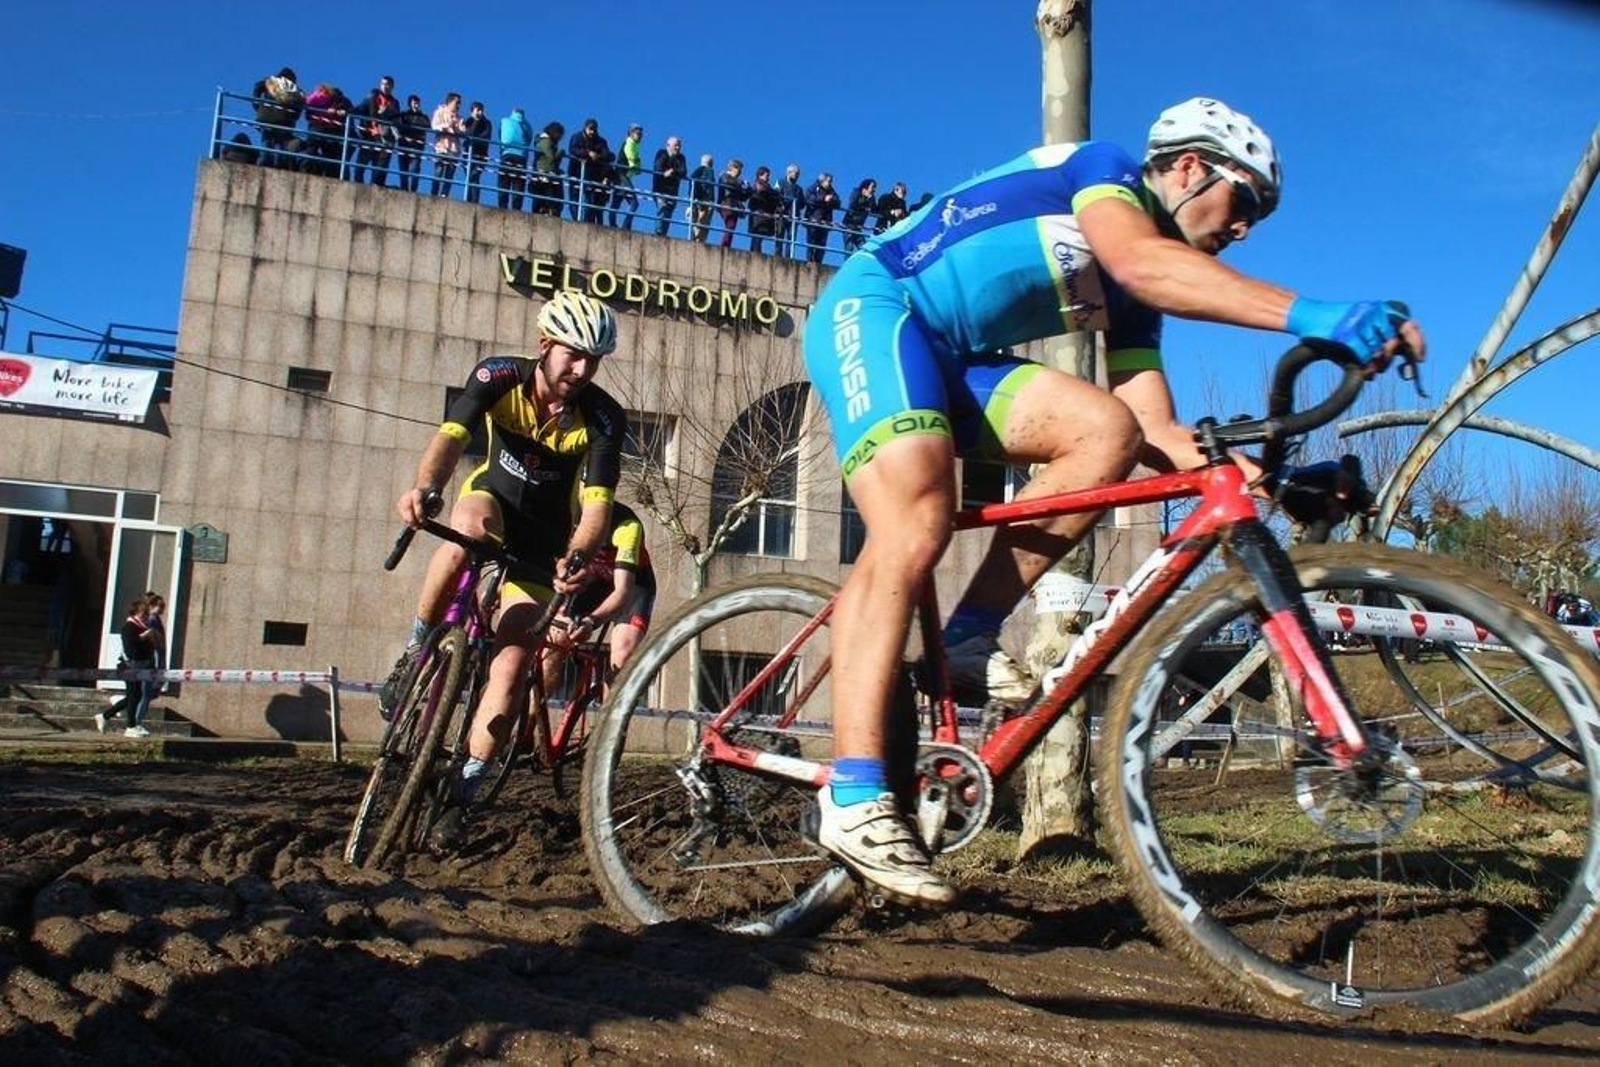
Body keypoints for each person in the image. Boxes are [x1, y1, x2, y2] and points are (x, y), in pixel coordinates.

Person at [801, 96, 1425, 906]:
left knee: (1108, 434)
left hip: (950, 355)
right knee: (916, 513)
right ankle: (853, 793)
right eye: (1244, 204)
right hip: (878, 308)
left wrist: (1275, 484)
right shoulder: (1105, 175)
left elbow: (1159, 429)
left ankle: (968, 632)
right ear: (1191, 168)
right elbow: (1139, 263)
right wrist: (1317, 315)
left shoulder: (1138, 292)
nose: (1244, 230)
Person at [381, 290, 627, 850]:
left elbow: (595, 508)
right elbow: (451, 439)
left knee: (513, 666)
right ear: (544, 345)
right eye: (573, 355)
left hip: (544, 544)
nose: (582, 369)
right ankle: (416, 648)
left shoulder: (604, 419)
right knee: (463, 538)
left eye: (594, 360)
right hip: (492, 501)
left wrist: (580, 554)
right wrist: (425, 488)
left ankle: (465, 791)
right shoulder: (498, 376)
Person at [543, 501, 656, 695]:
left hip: (633, 586)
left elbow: (623, 591)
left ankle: (608, 721)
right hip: (593, 581)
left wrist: (591, 620)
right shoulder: (564, 511)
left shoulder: (627, 526)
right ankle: (532, 716)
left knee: (622, 661)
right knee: (555, 644)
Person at [97, 597, 158, 738]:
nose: (146, 617)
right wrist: (144, 637)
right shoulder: (129, 627)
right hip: (129, 667)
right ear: (135, 613)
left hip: (140, 667)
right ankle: (130, 727)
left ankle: (105, 716)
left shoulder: (142, 627)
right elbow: (131, 648)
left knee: (135, 696)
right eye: (143, 614)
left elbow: (148, 648)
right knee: (134, 696)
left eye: (147, 615)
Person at [251, 67, 303, 169]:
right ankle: (280, 164)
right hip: (284, 120)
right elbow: (300, 107)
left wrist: (257, 106)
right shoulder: (294, 89)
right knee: (282, 143)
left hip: (265, 117)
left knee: (267, 140)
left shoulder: (271, 82)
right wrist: (293, 118)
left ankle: (264, 162)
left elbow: (257, 87)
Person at [352, 75, 400, 186]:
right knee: (361, 163)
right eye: (383, 84)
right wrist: (347, 112)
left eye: (388, 84)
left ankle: (376, 186)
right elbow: (361, 108)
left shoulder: (394, 102)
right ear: (380, 85)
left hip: (384, 138)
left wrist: (386, 111)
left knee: (379, 166)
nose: (385, 86)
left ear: (392, 87)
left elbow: (396, 118)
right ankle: (358, 184)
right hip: (369, 135)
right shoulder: (373, 96)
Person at [567, 118, 612, 224]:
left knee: (589, 198)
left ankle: (585, 221)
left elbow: (608, 155)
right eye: (590, 129)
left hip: (591, 174)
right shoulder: (576, 137)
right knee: (574, 197)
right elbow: (573, 150)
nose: (592, 132)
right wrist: (588, 153)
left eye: (594, 129)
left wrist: (597, 156)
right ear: (585, 128)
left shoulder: (600, 141)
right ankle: (576, 220)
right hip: (576, 172)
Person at [303, 83, 350, 179]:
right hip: (327, 129)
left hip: (318, 128)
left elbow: (308, 109)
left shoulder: (316, 95)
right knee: (328, 155)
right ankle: (328, 175)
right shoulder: (333, 97)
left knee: (312, 152)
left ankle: (307, 171)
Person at [609, 124, 644, 229]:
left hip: (621, 176)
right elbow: (631, 157)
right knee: (634, 203)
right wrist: (635, 165)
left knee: (616, 202)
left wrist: (637, 166)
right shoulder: (630, 142)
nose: (640, 135)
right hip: (621, 175)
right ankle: (625, 226)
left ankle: (613, 225)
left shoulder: (634, 144)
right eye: (637, 133)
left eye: (641, 134)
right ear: (631, 133)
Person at [498, 105, 533, 211]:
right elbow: (529, 139)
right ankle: (516, 208)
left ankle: (502, 205)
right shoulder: (527, 125)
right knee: (518, 183)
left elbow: (500, 134)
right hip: (521, 156)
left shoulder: (504, 121)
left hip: (507, 153)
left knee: (504, 181)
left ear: (513, 112)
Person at [651, 135, 688, 237]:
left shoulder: (681, 158)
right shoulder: (661, 153)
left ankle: (663, 234)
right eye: (676, 145)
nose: (678, 148)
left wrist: (672, 171)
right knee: (662, 208)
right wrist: (665, 172)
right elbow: (658, 168)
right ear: (668, 145)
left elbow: (683, 171)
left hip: (673, 191)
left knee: (668, 213)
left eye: (679, 146)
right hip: (660, 189)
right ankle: (658, 233)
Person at [430, 92, 464, 197]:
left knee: (449, 175)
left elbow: (463, 131)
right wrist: (446, 126)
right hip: (441, 147)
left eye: (459, 103)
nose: (458, 105)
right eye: (456, 102)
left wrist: (456, 128)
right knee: (438, 172)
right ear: (449, 102)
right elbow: (434, 126)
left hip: (454, 150)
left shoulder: (459, 118)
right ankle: (434, 194)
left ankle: (445, 194)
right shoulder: (440, 112)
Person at [395, 94, 430, 193]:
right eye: (414, 102)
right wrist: (403, 137)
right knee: (403, 169)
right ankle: (404, 189)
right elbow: (397, 125)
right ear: (410, 103)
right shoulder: (404, 115)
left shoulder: (423, 116)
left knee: (414, 169)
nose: (416, 104)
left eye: (417, 102)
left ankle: (413, 190)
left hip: (416, 146)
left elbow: (427, 126)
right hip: (404, 145)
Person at [804, 172, 840, 264]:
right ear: (822, 181)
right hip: (813, 220)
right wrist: (823, 198)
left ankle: (818, 263)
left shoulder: (831, 190)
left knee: (822, 245)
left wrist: (831, 199)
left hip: (825, 222)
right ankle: (809, 262)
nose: (831, 183)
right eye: (829, 181)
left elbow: (838, 202)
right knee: (811, 243)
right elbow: (809, 199)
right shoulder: (813, 188)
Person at [461, 101, 493, 205]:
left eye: (481, 110)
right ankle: (468, 199)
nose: (480, 112)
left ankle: (473, 202)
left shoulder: (487, 123)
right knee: (470, 177)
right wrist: (475, 121)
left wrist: (474, 138)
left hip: (480, 155)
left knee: (474, 177)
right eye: (477, 110)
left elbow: (486, 137)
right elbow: (467, 134)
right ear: (472, 111)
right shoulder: (468, 121)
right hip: (467, 155)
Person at [531, 121, 566, 215]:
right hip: (544, 173)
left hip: (546, 172)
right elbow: (551, 158)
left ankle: (547, 209)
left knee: (544, 195)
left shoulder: (546, 141)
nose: (560, 138)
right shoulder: (546, 142)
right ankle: (549, 210)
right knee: (548, 194)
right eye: (560, 135)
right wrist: (560, 152)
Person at [747, 166, 783, 254]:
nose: (768, 178)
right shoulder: (758, 184)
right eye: (767, 175)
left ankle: (755, 252)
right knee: (757, 236)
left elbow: (772, 195)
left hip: (762, 215)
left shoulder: (766, 186)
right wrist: (775, 192)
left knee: (758, 236)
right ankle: (755, 253)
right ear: (760, 175)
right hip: (759, 215)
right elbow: (764, 191)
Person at [716, 158, 747, 248]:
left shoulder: (737, 181)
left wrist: (747, 191)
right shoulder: (724, 176)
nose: (740, 172)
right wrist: (740, 184)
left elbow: (742, 197)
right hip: (726, 204)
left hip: (734, 206)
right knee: (730, 225)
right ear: (732, 168)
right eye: (738, 168)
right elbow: (727, 183)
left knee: (732, 227)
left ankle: (727, 244)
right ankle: (724, 245)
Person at [841, 178, 876, 251]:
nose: (874, 189)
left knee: (863, 248)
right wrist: (865, 208)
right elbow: (853, 205)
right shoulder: (856, 192)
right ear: (866, 186)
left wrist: (870, 198)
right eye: (872, 187)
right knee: (849, 247)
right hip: (849, 224)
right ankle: (848, 262)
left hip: (858, 227)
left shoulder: (871, 197)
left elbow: (874, 210)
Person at [688, 154, 717, 242]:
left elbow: (692, 181)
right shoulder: (709, 171)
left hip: (697, 198)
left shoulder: (697, 171)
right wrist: (710, 200)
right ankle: (698, 240)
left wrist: (693, 196)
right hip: (704, 200)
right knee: (703, 222)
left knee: (696, 222)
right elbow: (709, 186)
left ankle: (694, 238)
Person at [778, 163, 806, 255]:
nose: (797, 176)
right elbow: (776, 195)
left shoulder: (799, 189)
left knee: (791, 238)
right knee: (779, 236)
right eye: (796, 173)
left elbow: (802, 203)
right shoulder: (780, 182)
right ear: (789, 172)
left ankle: (788, 257)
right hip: (782, 214)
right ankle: (778, 255)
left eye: (798, 174)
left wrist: (796, 205)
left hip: (793, 216)